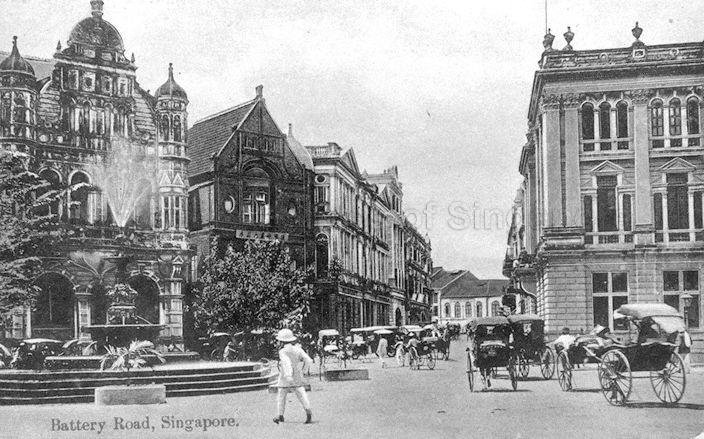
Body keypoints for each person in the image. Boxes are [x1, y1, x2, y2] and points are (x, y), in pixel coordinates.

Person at [273, 328, 314, 425]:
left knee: (281, 395)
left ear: (282, 341)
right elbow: (308, 360)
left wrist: (288, 375)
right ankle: (308, 411)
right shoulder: (298, 349)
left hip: (285, 376)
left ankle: (280, 415)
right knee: (301, 394)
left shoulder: (283, 351)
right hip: (297, 375)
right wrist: (304, 371)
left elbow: (287, 363)